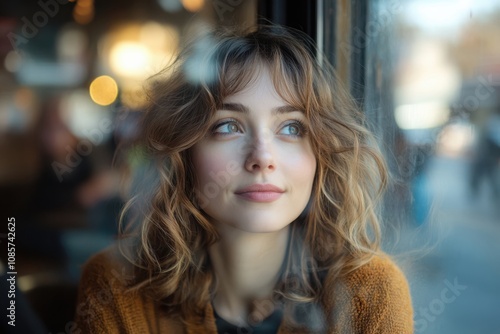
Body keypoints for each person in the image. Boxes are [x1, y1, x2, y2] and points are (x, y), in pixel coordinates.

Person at [75, 25, 414, 333]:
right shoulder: (116, 286)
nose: (262, 158)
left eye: (291, 128)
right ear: (185, 153)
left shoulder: (371, 293)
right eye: (228, 127)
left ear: (320, 154)